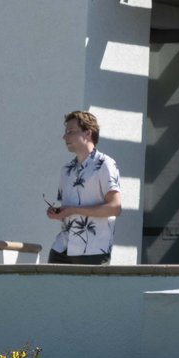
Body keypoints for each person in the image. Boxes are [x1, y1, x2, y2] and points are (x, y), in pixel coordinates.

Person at [46, 110, 121, 265]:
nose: (65, 137)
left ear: (88, 134)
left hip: (92, 251)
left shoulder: (105, 164)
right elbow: (70, 207)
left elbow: (115, 207)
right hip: (61, 249)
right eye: (65, 132)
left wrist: (73, 210)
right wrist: (58, 212)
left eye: (71, 132)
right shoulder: (66, 170)